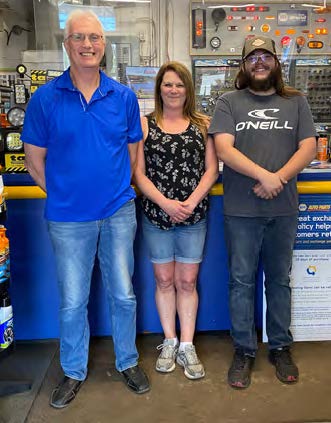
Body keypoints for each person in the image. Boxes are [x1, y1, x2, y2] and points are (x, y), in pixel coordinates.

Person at [21, 9, 150, 408]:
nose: (88, 45)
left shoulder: (123, 97)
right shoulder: (45, 99)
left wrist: (110, 191)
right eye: (79, 38)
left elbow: (132, 155)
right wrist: (61, 194)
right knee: (73, 300)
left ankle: (127, 361)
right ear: (67, 44)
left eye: (94, 38)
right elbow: (33, 159)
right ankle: (74, 370)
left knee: (124, 294)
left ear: (104, 45)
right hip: (68, 219)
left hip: (117, 213)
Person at [209, 36, 317, 389]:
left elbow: (309, 147)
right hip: (241, 210)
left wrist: (280, 178)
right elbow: (224, 149)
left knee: (280, 281)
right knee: (240, 282)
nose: (259, 62)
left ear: (275, 63)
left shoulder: (296, 102)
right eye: (252, 57)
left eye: (265, 56)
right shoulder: (228, 102)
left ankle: (280, 346)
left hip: (283, 209)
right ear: (243, 65)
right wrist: (265, 177)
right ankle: (244, 350)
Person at [133, 62, 218, 380]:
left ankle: (187, 344)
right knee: (165, 281)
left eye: (179, 85)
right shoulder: (145, 125)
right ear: (159, 89)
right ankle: (169, 340)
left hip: (194, 216)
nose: (173, 90)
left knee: (187, 282)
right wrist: (166, 203)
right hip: (157, 216)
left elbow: (211, 169)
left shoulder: (202, 124)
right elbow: (138, 173)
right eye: (167, 84)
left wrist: (191, 202)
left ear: (188, 90)